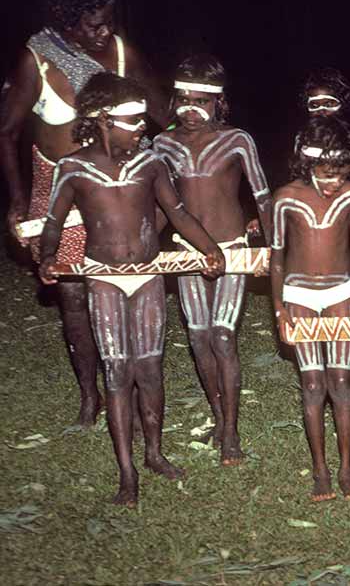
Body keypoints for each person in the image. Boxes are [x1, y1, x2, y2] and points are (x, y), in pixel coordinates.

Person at [38, 73, 224, 507]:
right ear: (103, 120)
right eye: (134, 120)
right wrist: (47, 256)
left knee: (150, 369)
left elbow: (177, 213)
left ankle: (154, 451)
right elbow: (53, 222)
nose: (144, 127)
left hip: (147, 278)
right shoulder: (74, 168)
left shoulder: (150, 164)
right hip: (104, 278)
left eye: (143, 120)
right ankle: (127, 472)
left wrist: (210, 249)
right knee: (118, 372)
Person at [0, 0, 162, 427]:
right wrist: (16, 200)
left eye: (109, 20)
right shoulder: (39, 57)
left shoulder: (122, 53)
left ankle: (129, 386)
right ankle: (90, 394)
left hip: (120, 189)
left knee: (121, 287)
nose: (104, 31)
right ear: (68, 22)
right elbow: (7, 130)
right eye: (93, 24)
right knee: (72, 294)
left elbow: (162, 113)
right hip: (58, 185)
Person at [153, 55, 273, 465]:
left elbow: (262, 195)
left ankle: (232, 432)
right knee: (199, 337)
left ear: (219, 102)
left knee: (223, 336)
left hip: (233, 247)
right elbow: (163, 206)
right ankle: (219, 415)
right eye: (183, 98)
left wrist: (272, 248)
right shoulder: (163, 144)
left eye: (201, 100)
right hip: (186, 251)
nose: (191, 108)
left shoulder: (238, 139)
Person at [270, 116, 350, 501]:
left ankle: (347, 469)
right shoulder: (286, 198)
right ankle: (320, 470)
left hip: (339, 293)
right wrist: (280, 308)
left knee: (342, 382)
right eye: (327, 173)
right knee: (313, 384)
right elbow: (278, 257)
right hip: (299, 294)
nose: (335, 182)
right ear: (307, 162)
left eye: (343, 173)